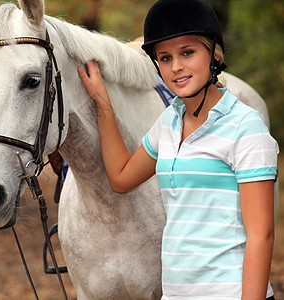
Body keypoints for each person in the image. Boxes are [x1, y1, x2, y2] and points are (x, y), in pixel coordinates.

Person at [77, 0, 278, 299]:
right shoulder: (169, 122)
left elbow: (261, 236)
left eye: (187, 52)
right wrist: (103, 104)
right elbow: (120, 177)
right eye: (165, 58)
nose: (176, 67)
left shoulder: (245, 127)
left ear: (214, 54)